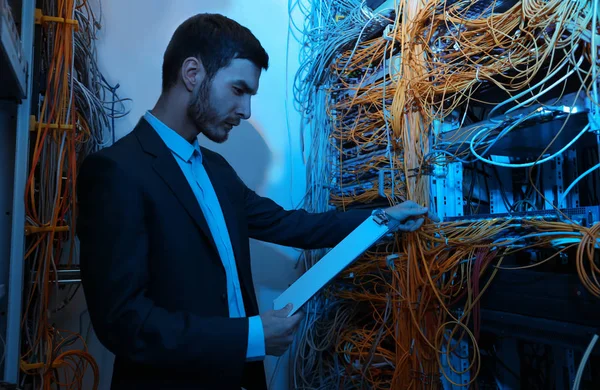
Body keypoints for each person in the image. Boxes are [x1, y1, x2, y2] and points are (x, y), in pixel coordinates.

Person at [76, 13, 436, 390]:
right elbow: (124, 322)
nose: (246, 111)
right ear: (193, 73)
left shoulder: (214, 169)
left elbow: (292, 225)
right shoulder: (117, 171)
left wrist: (382, 219)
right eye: (238, 90)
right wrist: (252, 338)